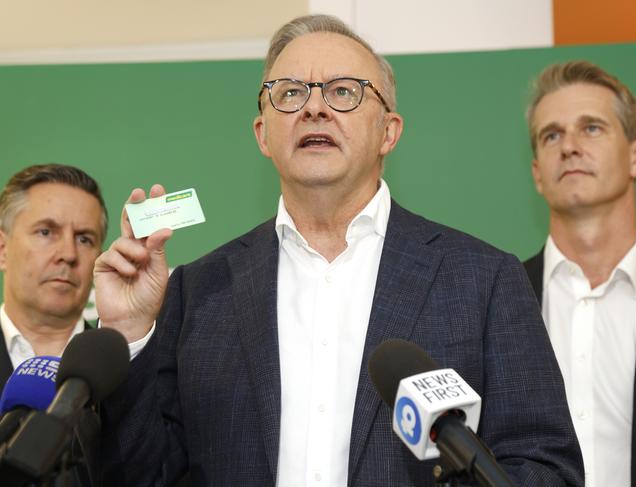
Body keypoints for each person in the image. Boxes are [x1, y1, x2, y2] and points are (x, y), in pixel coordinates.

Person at [95, 15, 583, 486]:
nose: (313, 109)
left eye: (343, 92)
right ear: (263, 135)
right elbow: (140, 475)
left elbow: (544, 466)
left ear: (388, 132)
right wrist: (130, 334)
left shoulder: (483, 279)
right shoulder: (198, 291)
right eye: (289, 93)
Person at [523, 61, 636, 487]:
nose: (570, 147)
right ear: (538, 174)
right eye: (552, 135)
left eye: (591, 128)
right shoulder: (496, 297)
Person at [0, 163, 108, 386]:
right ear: (3, 249)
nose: (68, 254)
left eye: (84, 239)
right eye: (46, 232)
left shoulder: (123, 373)